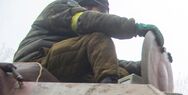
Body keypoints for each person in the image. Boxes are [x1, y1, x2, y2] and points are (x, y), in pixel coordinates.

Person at [13, 0, 164, 83]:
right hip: (35, 62)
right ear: (89, 5)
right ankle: (109, 92)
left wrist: (143, 66)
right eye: (101, 11)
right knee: (98, 38)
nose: (103, 15)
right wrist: (134, 28)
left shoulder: (78, 43)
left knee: (120, 73)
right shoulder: (61, 8)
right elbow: (90, 20)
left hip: (59, 67)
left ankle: (111, 87)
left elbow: (103, 59)